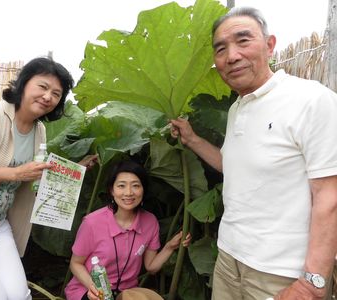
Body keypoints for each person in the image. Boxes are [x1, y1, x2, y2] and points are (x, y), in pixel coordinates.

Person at [171, 6, 337, 300]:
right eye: (220, 48)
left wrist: (313, 282)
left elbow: (330, 195)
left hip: (281, 274)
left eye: (243, 40)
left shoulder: (311, 99)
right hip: (228, 259)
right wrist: (193, 139)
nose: (231, 55)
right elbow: (234, 166)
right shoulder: (238, 107)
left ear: (270, 44)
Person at [0, 57, 97, 300]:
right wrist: (16, 173)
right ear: (23, 84)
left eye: (56, 93)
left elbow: (32, 173)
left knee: (20, 296)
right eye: (42, 87)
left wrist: (74, 169)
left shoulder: (39, 130)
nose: (48, 97)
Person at [65, 160, 191, 300]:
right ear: (112, 190)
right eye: (121, 186)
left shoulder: (150, 222)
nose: (129, 192)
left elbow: (151, 267)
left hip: (127, 293)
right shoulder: (92, 222)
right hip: (90, 290)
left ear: (143, 189)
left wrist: (170, 247)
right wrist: (94, 289)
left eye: (136, 186)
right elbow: (75, 263)